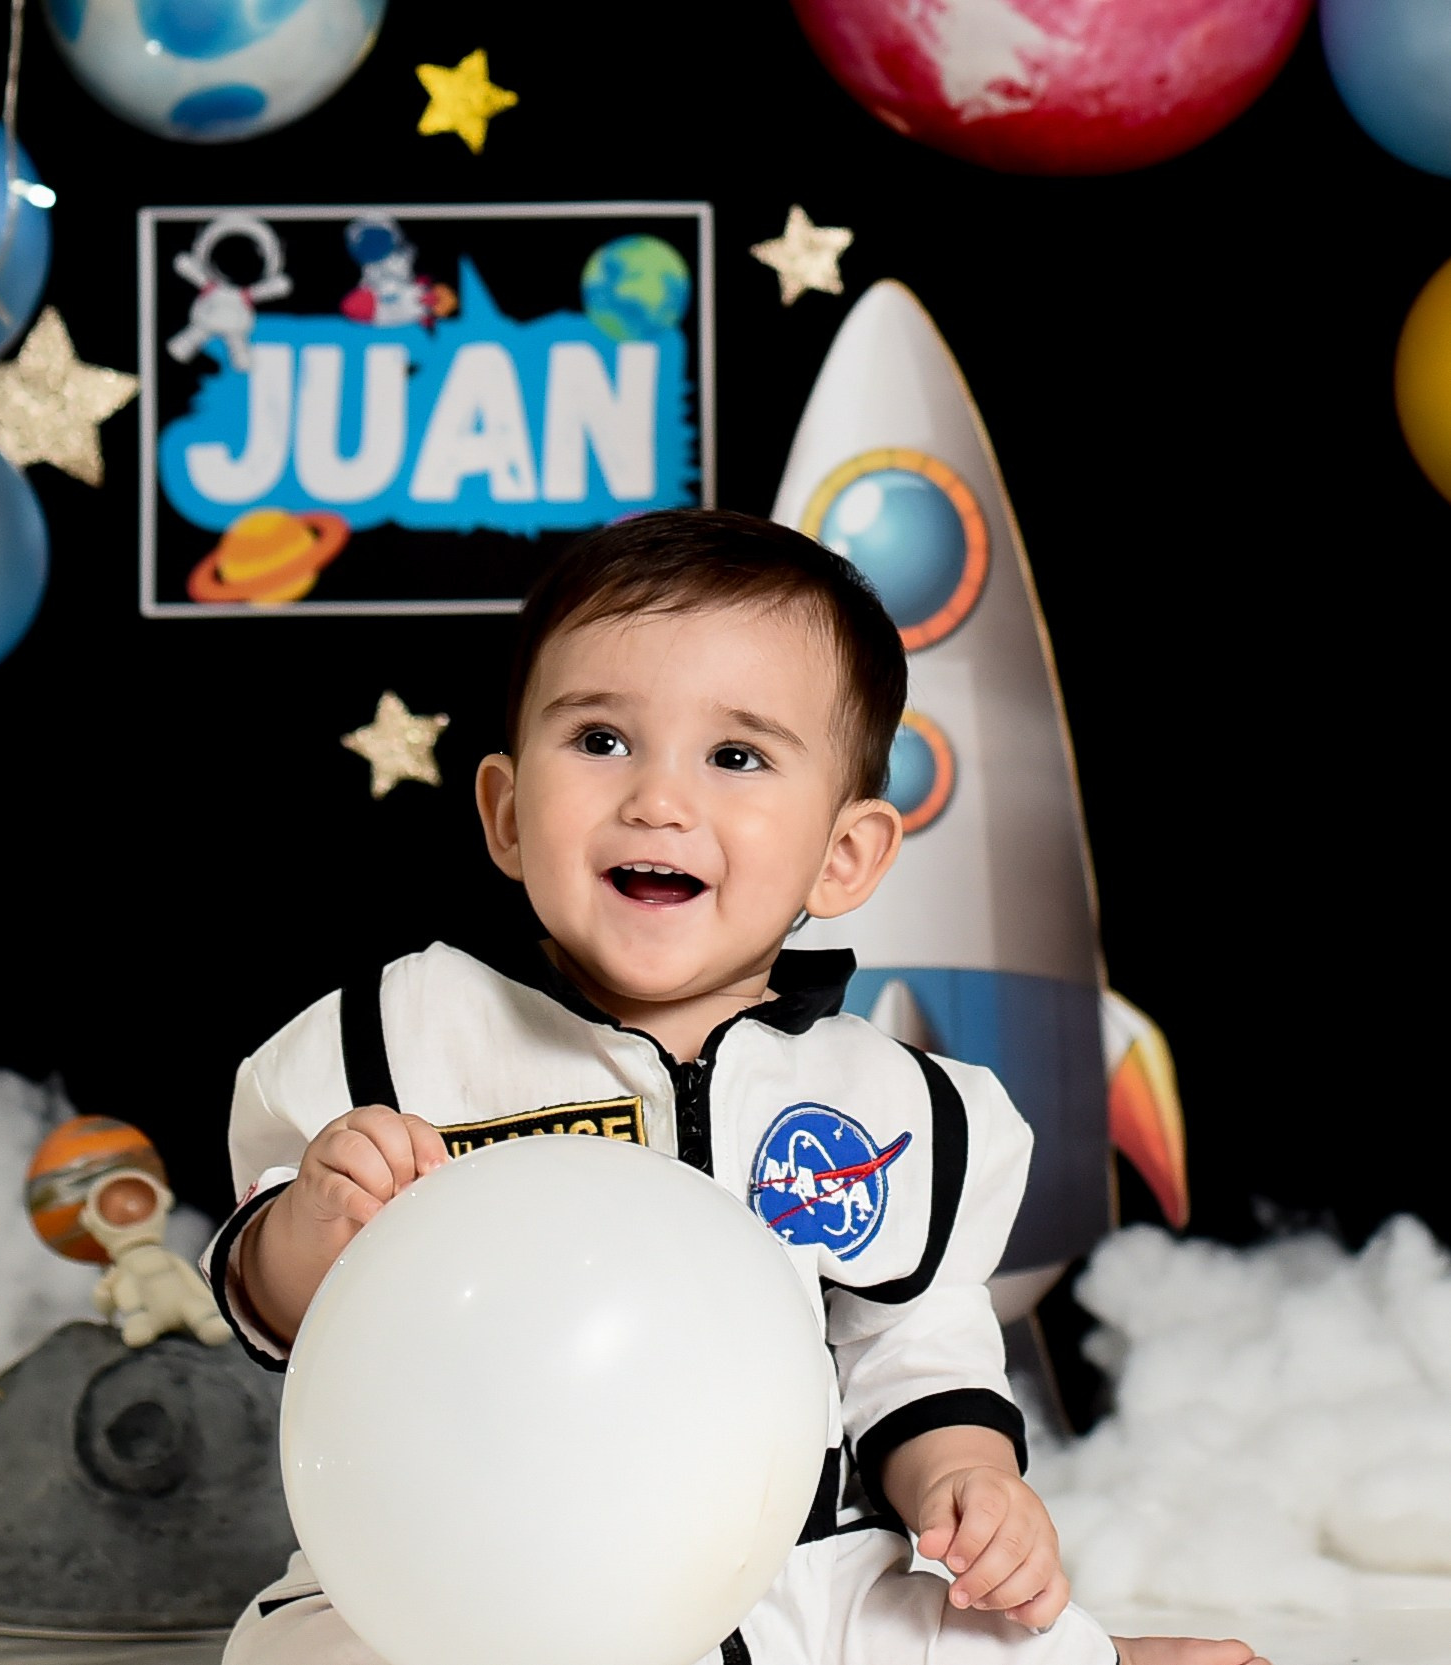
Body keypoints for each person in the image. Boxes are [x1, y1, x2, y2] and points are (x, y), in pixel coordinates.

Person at [205, 511, 1265, 1665]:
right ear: (506, 813)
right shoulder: (398, 1039)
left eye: (736, 757)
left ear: (841, 856)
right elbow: (274, 1298)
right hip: (468, 1567)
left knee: (964, 1640)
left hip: (782, 1566)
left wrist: (964, 1478)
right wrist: (309, 1232)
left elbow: (908, 1353)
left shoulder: (883, 1107)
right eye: (601, 740)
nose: (658, 801)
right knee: (314, 1652)